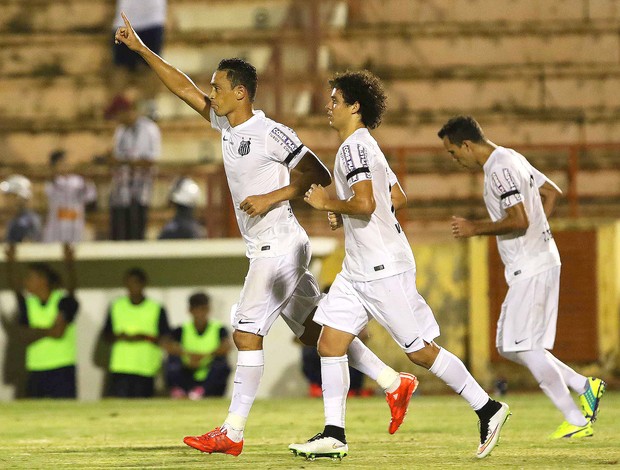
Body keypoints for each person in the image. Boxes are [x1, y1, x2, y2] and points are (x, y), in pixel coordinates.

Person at [115, 14, 418, 457]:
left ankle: (232, 432)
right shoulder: (225, 124)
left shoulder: (271, 131)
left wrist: (271, 196)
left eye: (217, 87)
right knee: (316, 334)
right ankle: (394, 381)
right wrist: (142, 50)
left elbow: (314, 172)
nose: (210, 93)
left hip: (278, 245)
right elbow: (182, 88)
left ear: (240, 92)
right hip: (277, 245)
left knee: (245, 333)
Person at [292, 71, 509, 460]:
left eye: (336, 100)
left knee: (421, 352)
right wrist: (350, 214)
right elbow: (396, 197)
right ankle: (334, 433)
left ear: (355, 106)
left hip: (382, 269)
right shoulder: (362, 146)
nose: (329, 106)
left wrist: (332, 205)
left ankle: (487, 407)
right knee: (329, 342)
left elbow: (367, 203)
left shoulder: (354, 149)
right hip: (360, 268)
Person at [437, 115, 607, 439]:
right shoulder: (512, 156)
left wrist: (476, 228)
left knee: (525, 347)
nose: (454, 159)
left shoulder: (499, 169)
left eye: (452, 152)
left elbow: (519, 219)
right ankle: (585, 385)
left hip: (531, 267)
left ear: (467, 145)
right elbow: (551, 193)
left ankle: (575, 417)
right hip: (536, 262)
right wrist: (538, 239)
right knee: (508, 344)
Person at [5, 243, 79, 398]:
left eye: (30, 278)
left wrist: (35, 332)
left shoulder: (62, 301)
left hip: (62, 369)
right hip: (36, 370)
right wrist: (47, 331)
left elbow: (58, 332)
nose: (26, 282)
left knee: (64, 415)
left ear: (43, 280)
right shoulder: (29, 305)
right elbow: (23, 337)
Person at [101, 267, 171, 398]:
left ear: (143, 284)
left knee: (143, 406)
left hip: (146, 368)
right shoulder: (116, 306)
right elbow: (106, 335)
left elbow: (165, 338)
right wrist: (120, 336)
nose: (132, 287)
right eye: (128, 283)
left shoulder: (156, 308)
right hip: (120, 367)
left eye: (136, 283)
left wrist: (143, 337)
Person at [105, 94, 161, 240]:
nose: (117, 119)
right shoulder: (121, 131)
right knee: (119, 236)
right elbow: (115, 158)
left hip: (140, 191)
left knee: (136, 235)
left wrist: (124, 162)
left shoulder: (149, 129)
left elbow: (151, 160)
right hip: (121, 192)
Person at [166, 292, 232, 399]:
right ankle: (179, 390)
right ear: (190, 310)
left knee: (222, 366)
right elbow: (169, 345)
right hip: (188, 369)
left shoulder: (219, 329)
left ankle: (202, 391)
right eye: (196, 310)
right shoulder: (182, 329)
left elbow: (226, 346)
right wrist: (188, 355)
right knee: (172, 363)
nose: (200, 314)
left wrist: (205, 356)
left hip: (209, 370)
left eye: (203, 309)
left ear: (208, 310)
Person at [110, 0, 167, 119]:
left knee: (153, 66)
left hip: (153, 18)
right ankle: (121, 108)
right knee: (121, 68)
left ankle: (150, 106)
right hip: (125, 18)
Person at [43, 150, 98, 243]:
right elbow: (52, 194)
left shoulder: (79, 181)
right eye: (60, 163)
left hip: (75, 224)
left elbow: (90, 196)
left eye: (64, 162)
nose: (64, 165)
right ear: (53, 166)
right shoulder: (51, 183)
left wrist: (87, 177)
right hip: (57, 226)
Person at [0, 175, 42, 243]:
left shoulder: (29, 221)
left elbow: (28, 248)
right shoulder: (15, 219)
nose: (6, 200)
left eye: (10, 195)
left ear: (20, 198)